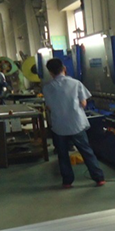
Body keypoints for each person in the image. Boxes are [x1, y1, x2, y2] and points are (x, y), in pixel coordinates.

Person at [42, 58, 105, 189]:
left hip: (59, 126)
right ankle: (98, 178)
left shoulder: (47, 88)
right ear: (64, 68)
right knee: (86, 151)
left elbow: (49, 106)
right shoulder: (75, 83)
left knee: (63, 154)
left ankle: (67, 181)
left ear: (50, 72)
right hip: (76, 123)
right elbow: (84, 103)